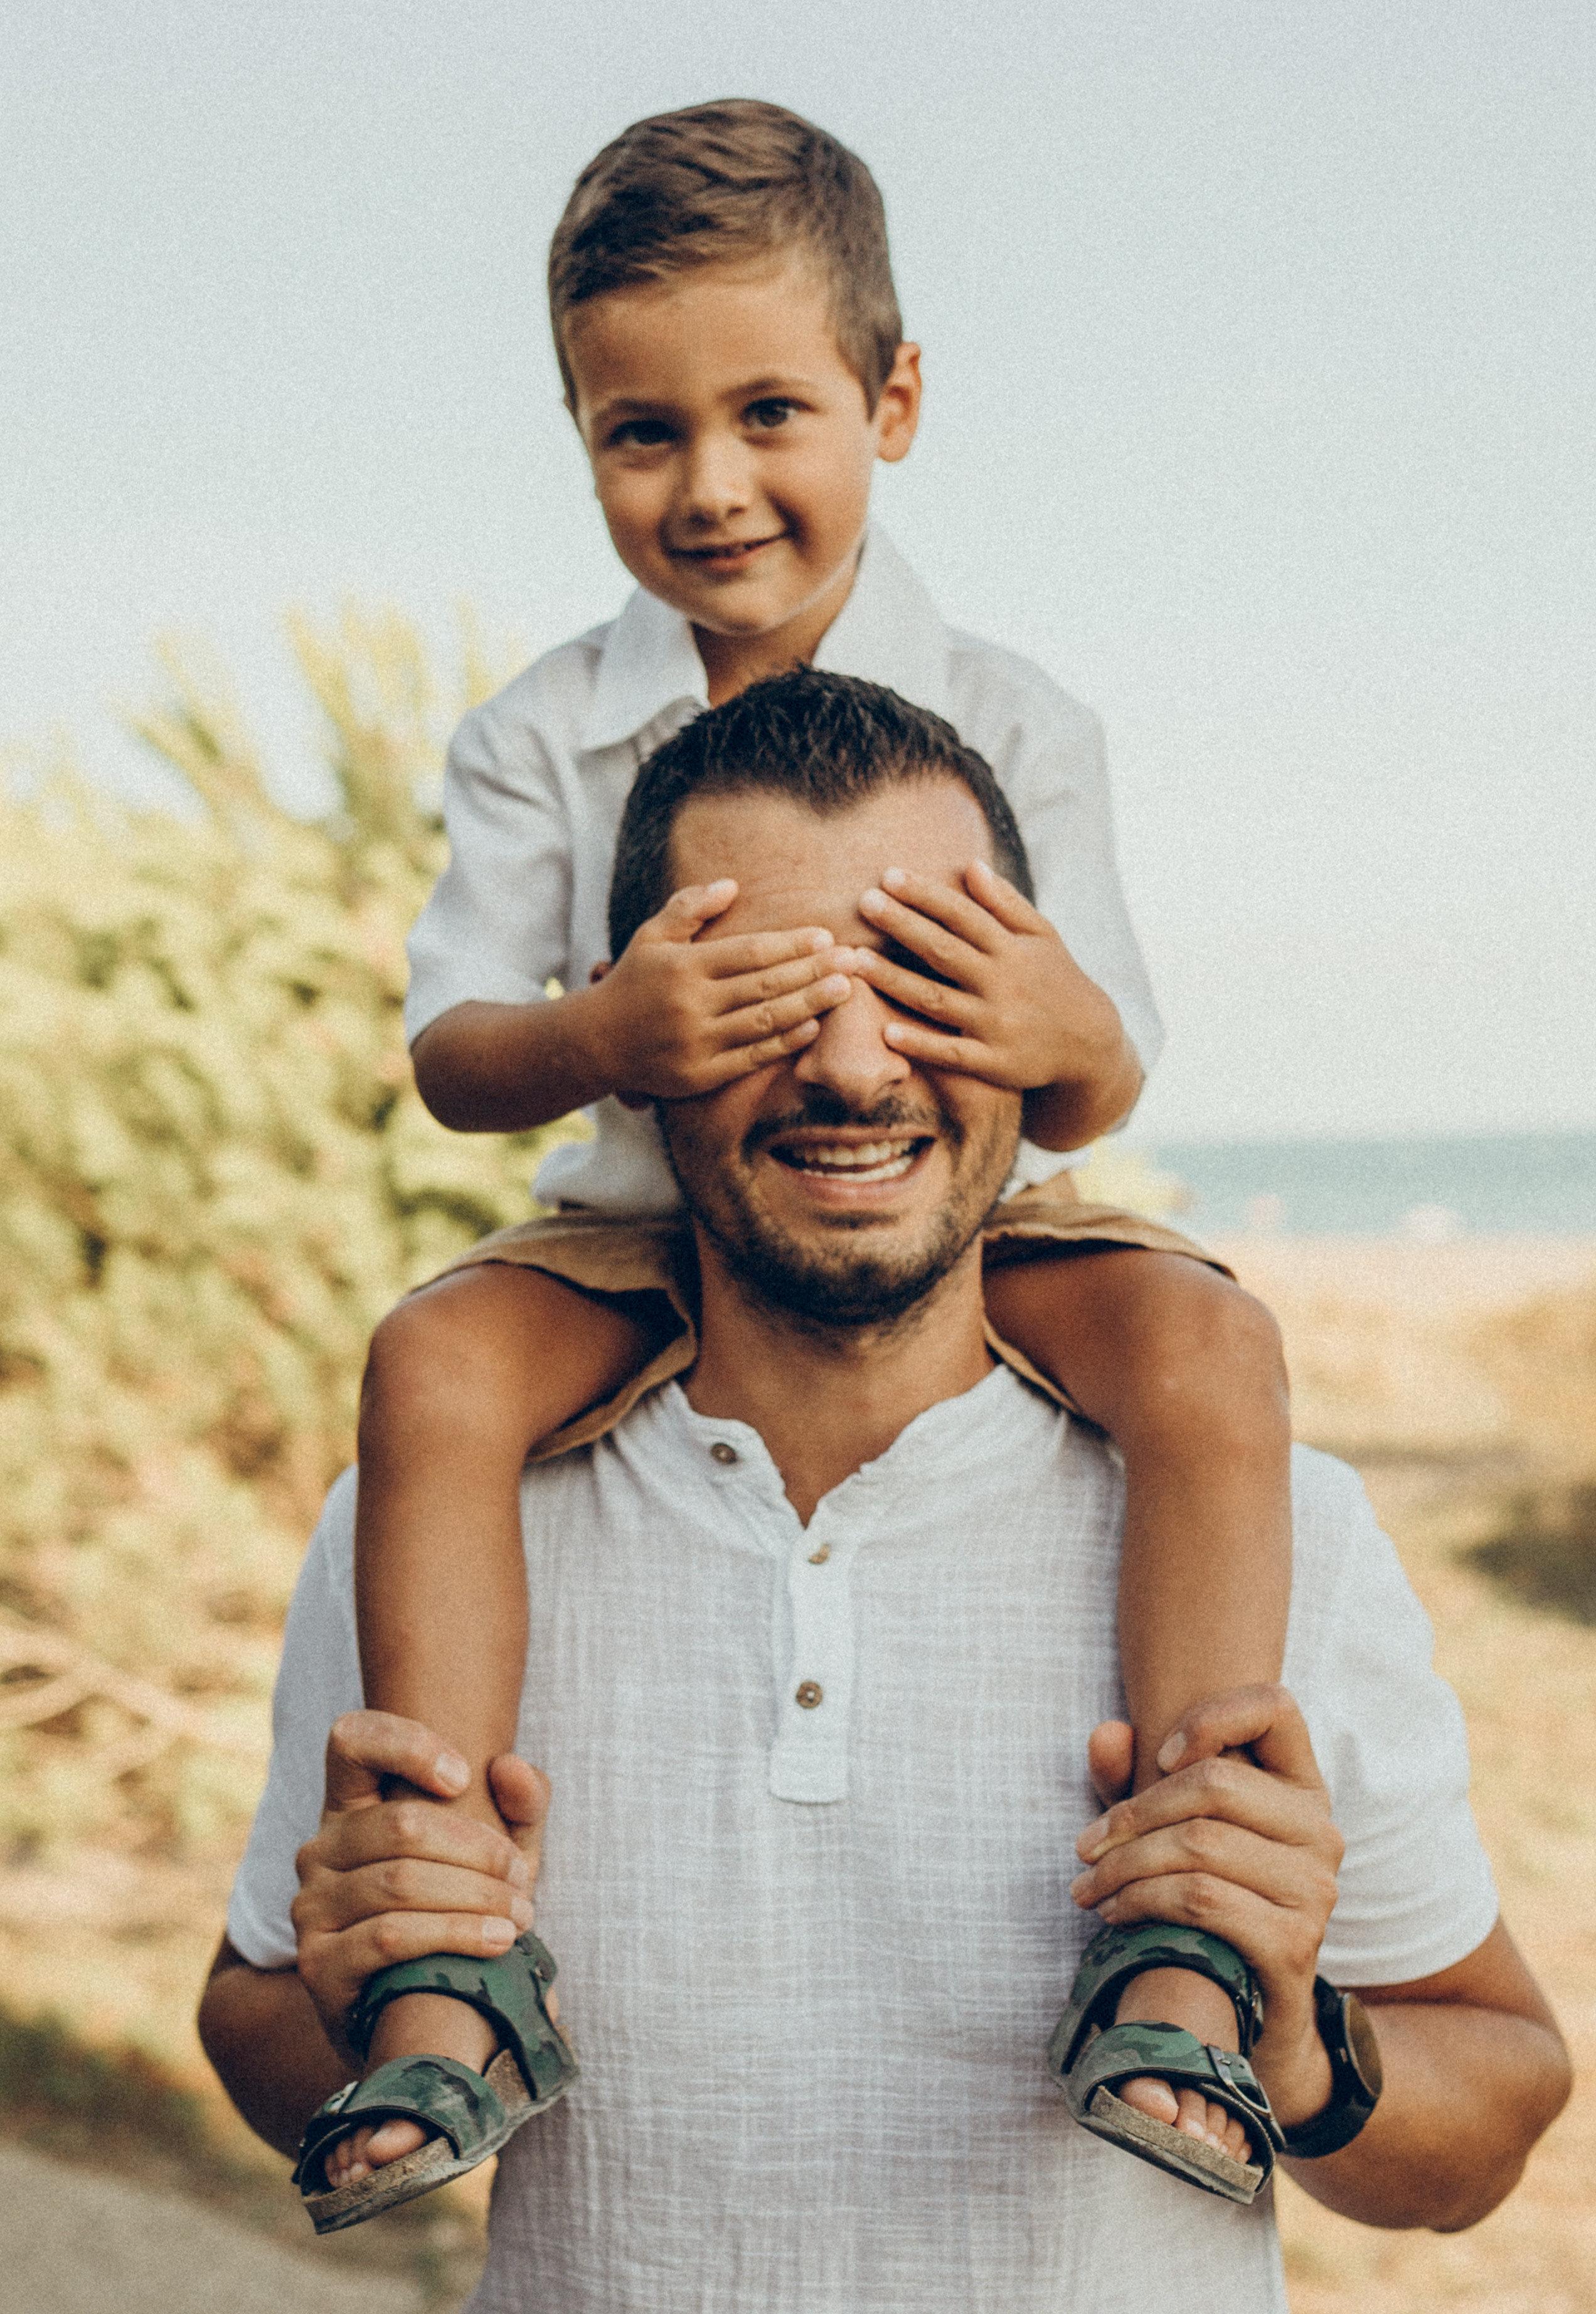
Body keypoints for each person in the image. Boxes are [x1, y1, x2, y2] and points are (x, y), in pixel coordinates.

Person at [200, 681, 1569, 2311]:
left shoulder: (1281, 1528)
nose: (854, 1066)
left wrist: (1302, 2045)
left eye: (926, 983)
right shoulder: (436, 1518)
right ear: (641, 1041)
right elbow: (252, 2021)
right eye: (768, 994)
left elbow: (1497, 2103)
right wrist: (357, 2001)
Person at [339, 98, 1301, 2209]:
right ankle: (442, 1971)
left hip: (970, 1220)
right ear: (580, 435)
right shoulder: (539, 734)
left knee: (1215, 1363)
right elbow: (455, 1054)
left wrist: (1059, 1040)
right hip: (633, 1242)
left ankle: (1189, 1941)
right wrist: (609, 1032)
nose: (712, 486)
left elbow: (1098, 1073)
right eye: (637, 431)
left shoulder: (1014, 716)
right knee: (429, 1373)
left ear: (895, 398)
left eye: (770, 410)